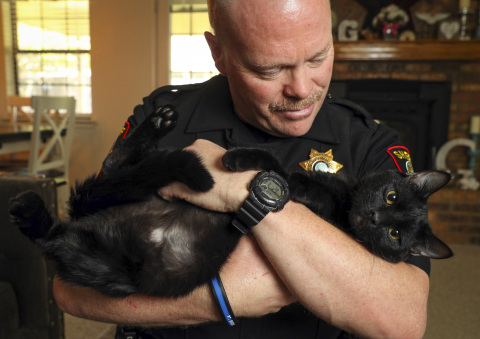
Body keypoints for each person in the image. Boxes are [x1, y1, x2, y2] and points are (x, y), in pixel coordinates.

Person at [53, 0, 430, 338]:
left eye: (318, 57)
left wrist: (245, 190)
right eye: (269, 69)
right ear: (219, 53)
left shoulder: (369, 142)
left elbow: (402, 321)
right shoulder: (162, 119)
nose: (302, 88)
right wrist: (217, 297)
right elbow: (69, 287)